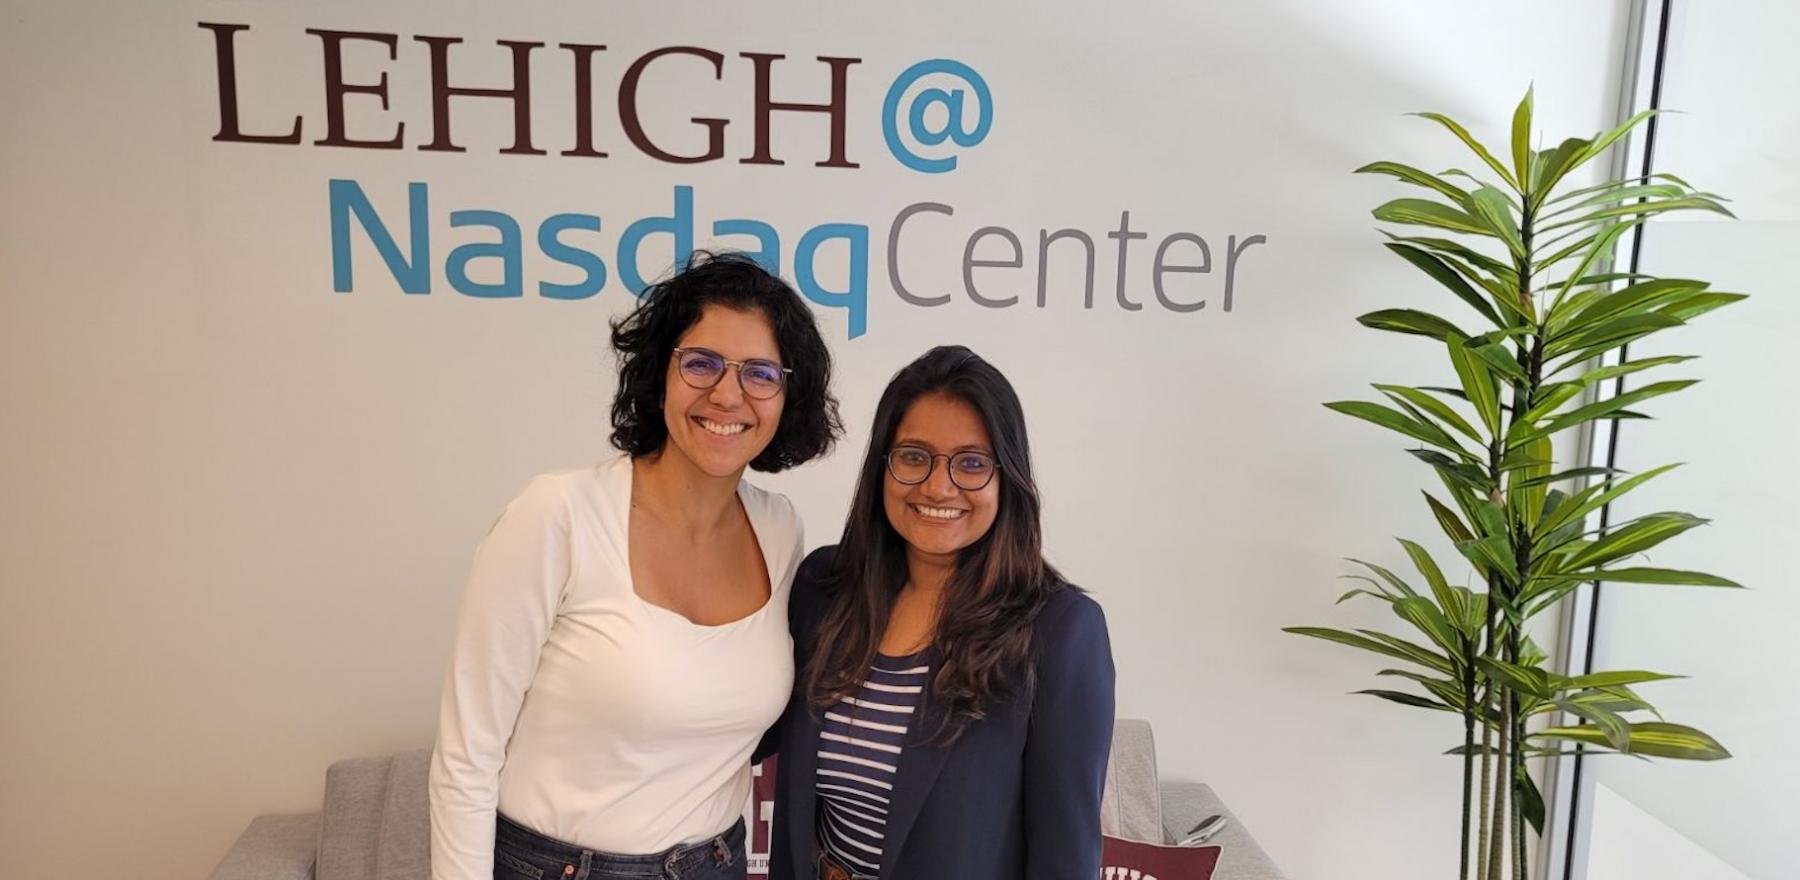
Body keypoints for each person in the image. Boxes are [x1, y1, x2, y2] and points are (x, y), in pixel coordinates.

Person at [429, 252, 842, 880]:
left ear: (789, 396)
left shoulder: (780, 530)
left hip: (718, 863)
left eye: (760, 373)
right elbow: (465, 758)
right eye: (701, 363)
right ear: (659, 375)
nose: (727, 394)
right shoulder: (557, 515)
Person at [764, 345, 1115, 880]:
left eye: (971, 463)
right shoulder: (823, 588)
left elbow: (1065, 855)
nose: (937, 485)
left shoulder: (1058, 631)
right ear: (883, 465)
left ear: (1008, 477)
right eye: (913, 455)